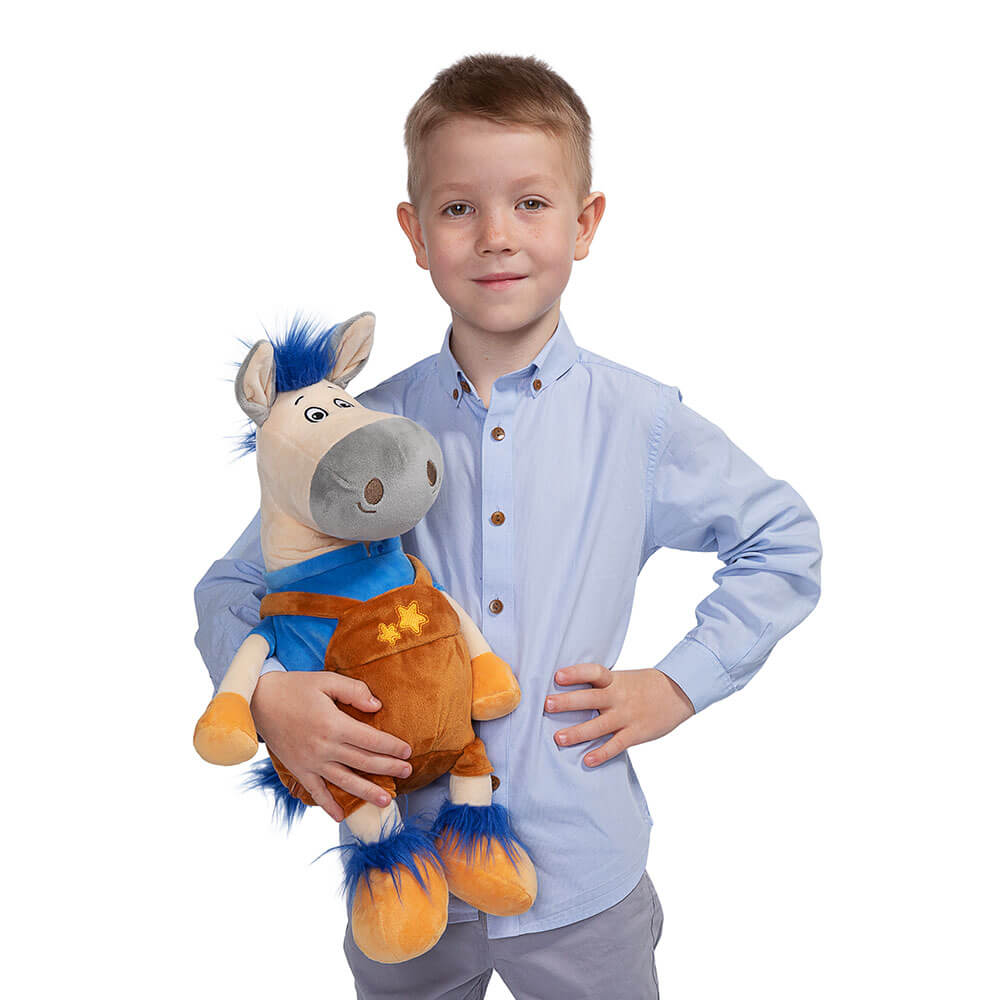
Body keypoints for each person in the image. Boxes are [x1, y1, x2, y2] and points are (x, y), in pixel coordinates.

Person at [194, 52, 822, 1000]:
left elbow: (783, 540)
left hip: (583, 873)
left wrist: (679, 683)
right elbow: (234, 587)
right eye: (459, 208)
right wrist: (272, 699)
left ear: (585, 222)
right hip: (403, 875)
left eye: (531, 203)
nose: (496, 237)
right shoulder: (361, 433)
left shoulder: (638, 421)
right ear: (415, 232)